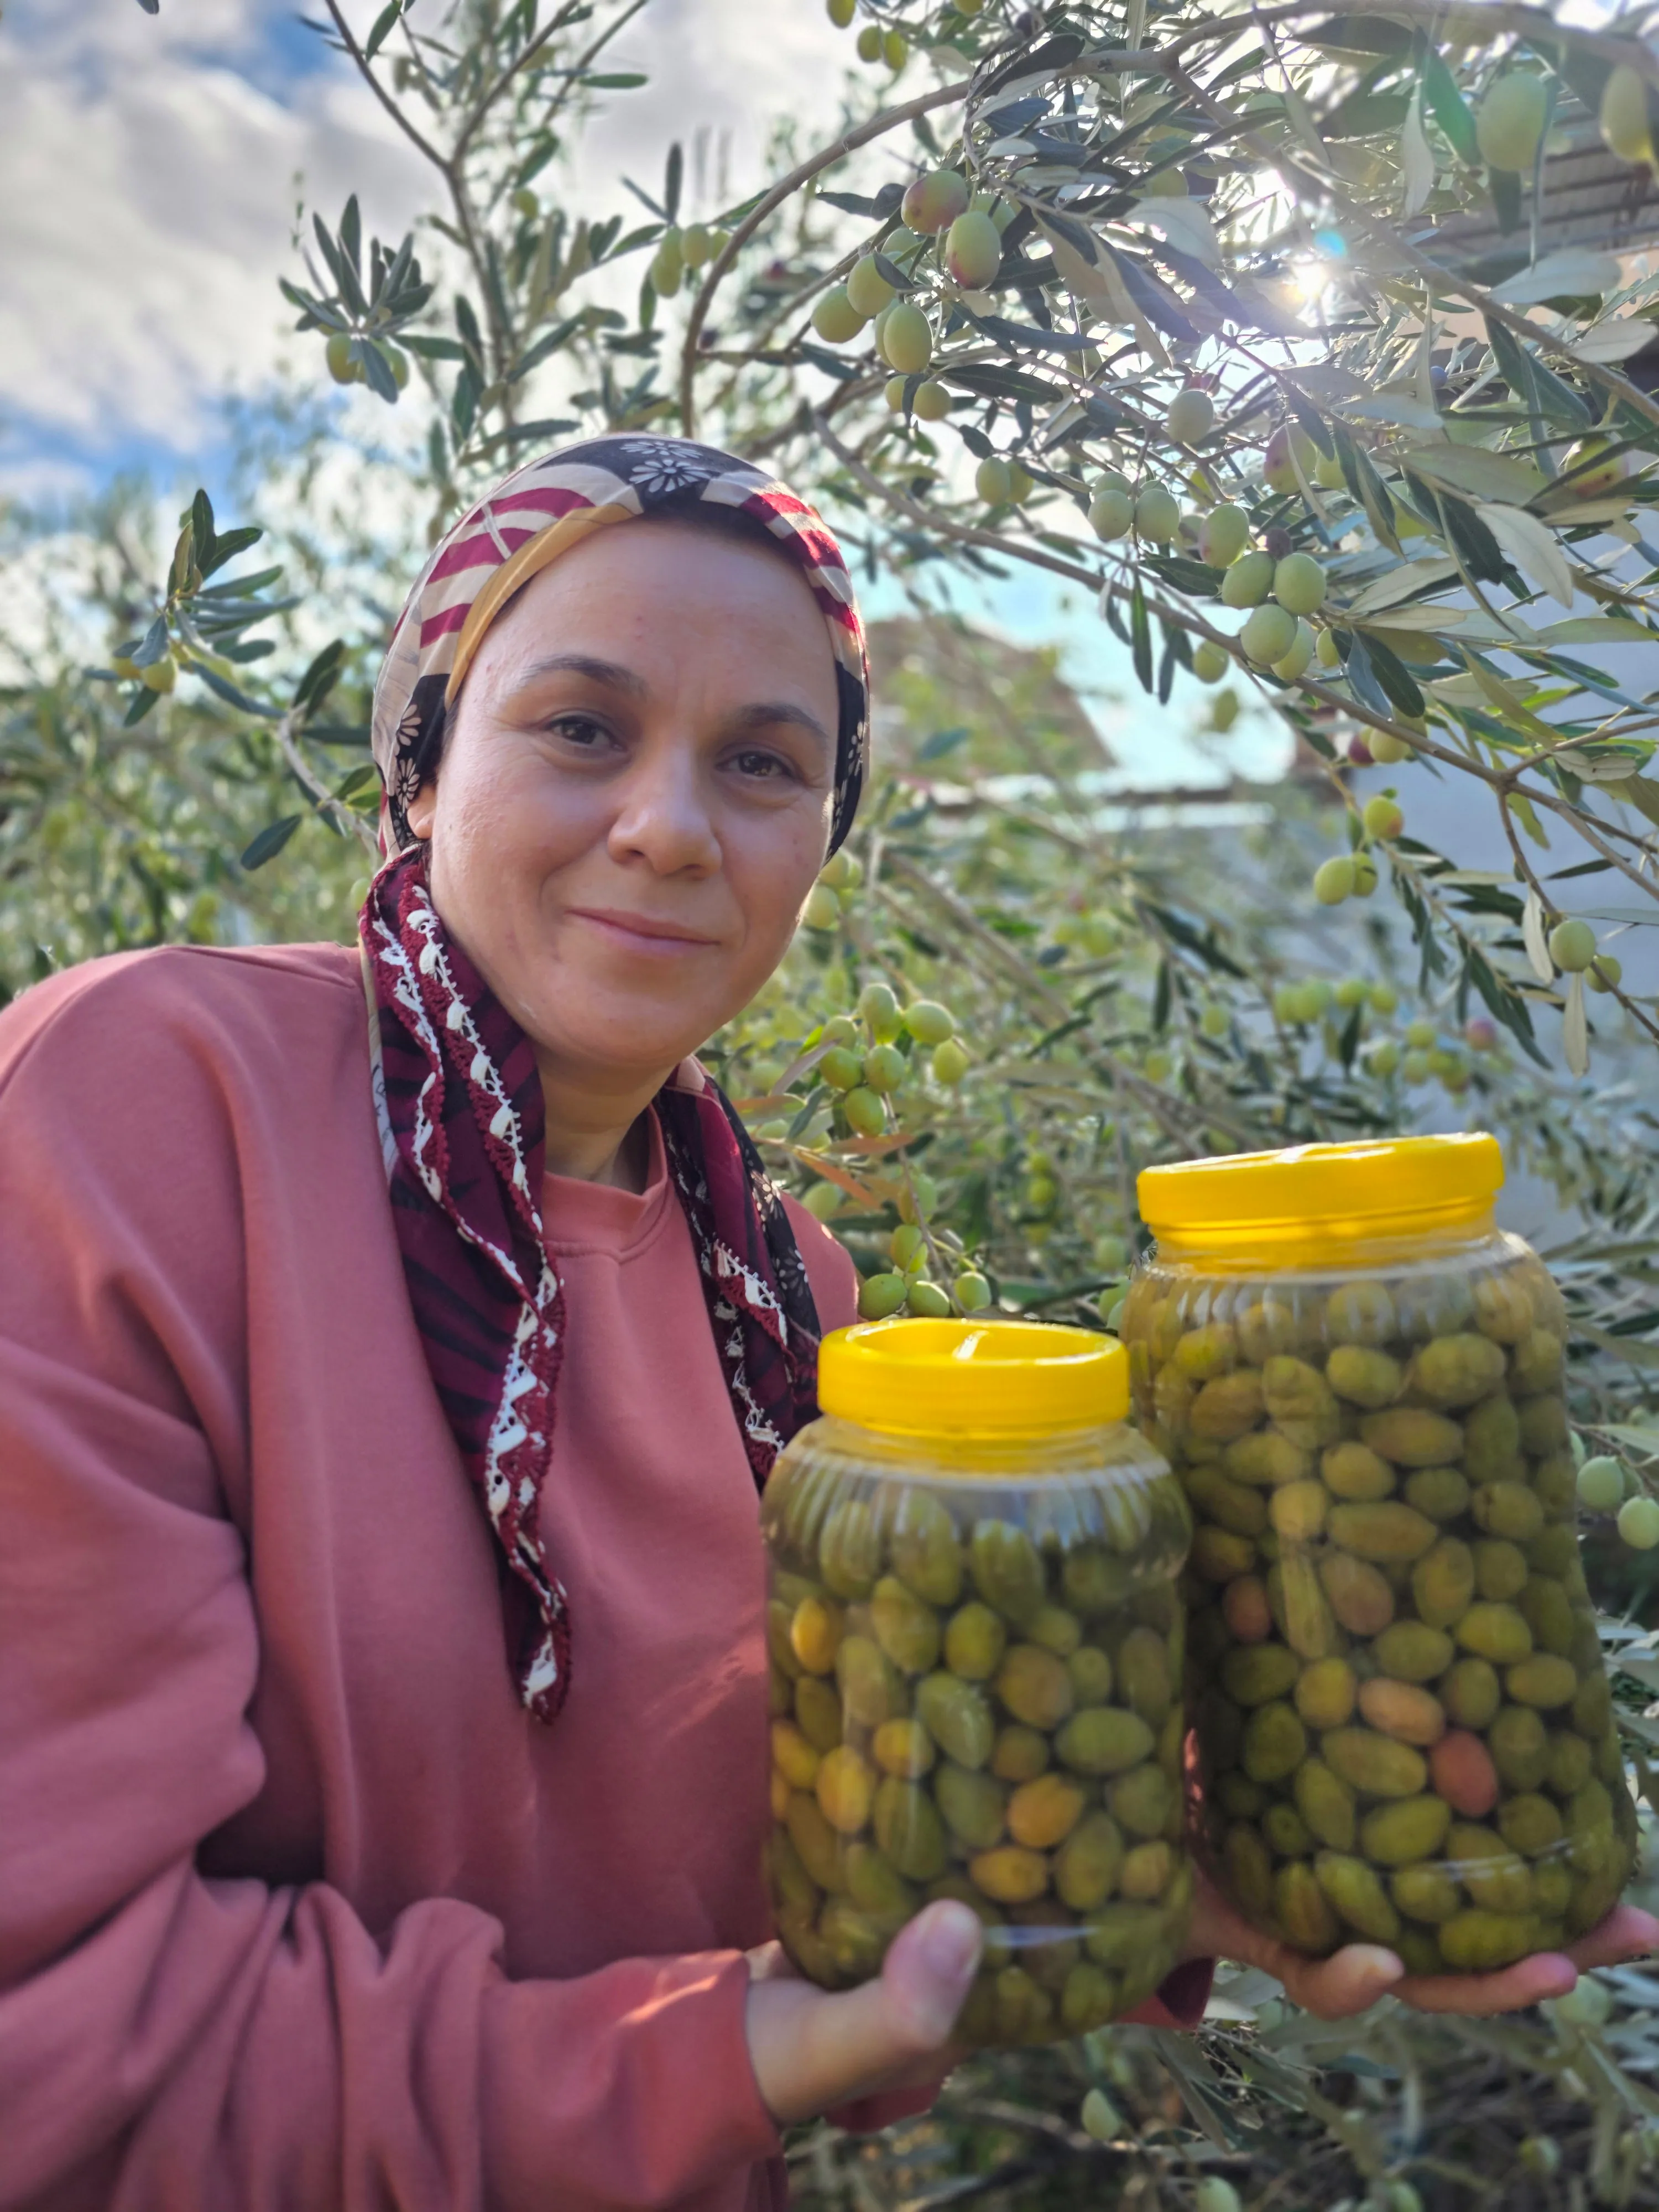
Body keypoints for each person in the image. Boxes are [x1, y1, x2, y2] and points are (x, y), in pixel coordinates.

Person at [0, 436, 1651, 2212]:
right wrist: (713, 2066)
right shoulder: (143, 1114)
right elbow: (63, 2054)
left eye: (765, 763)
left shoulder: (785, 1299)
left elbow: (796, 1879)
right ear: (418, 767)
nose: (669, 824)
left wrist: (1133, 1876)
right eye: (579, 726)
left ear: (821, 843)